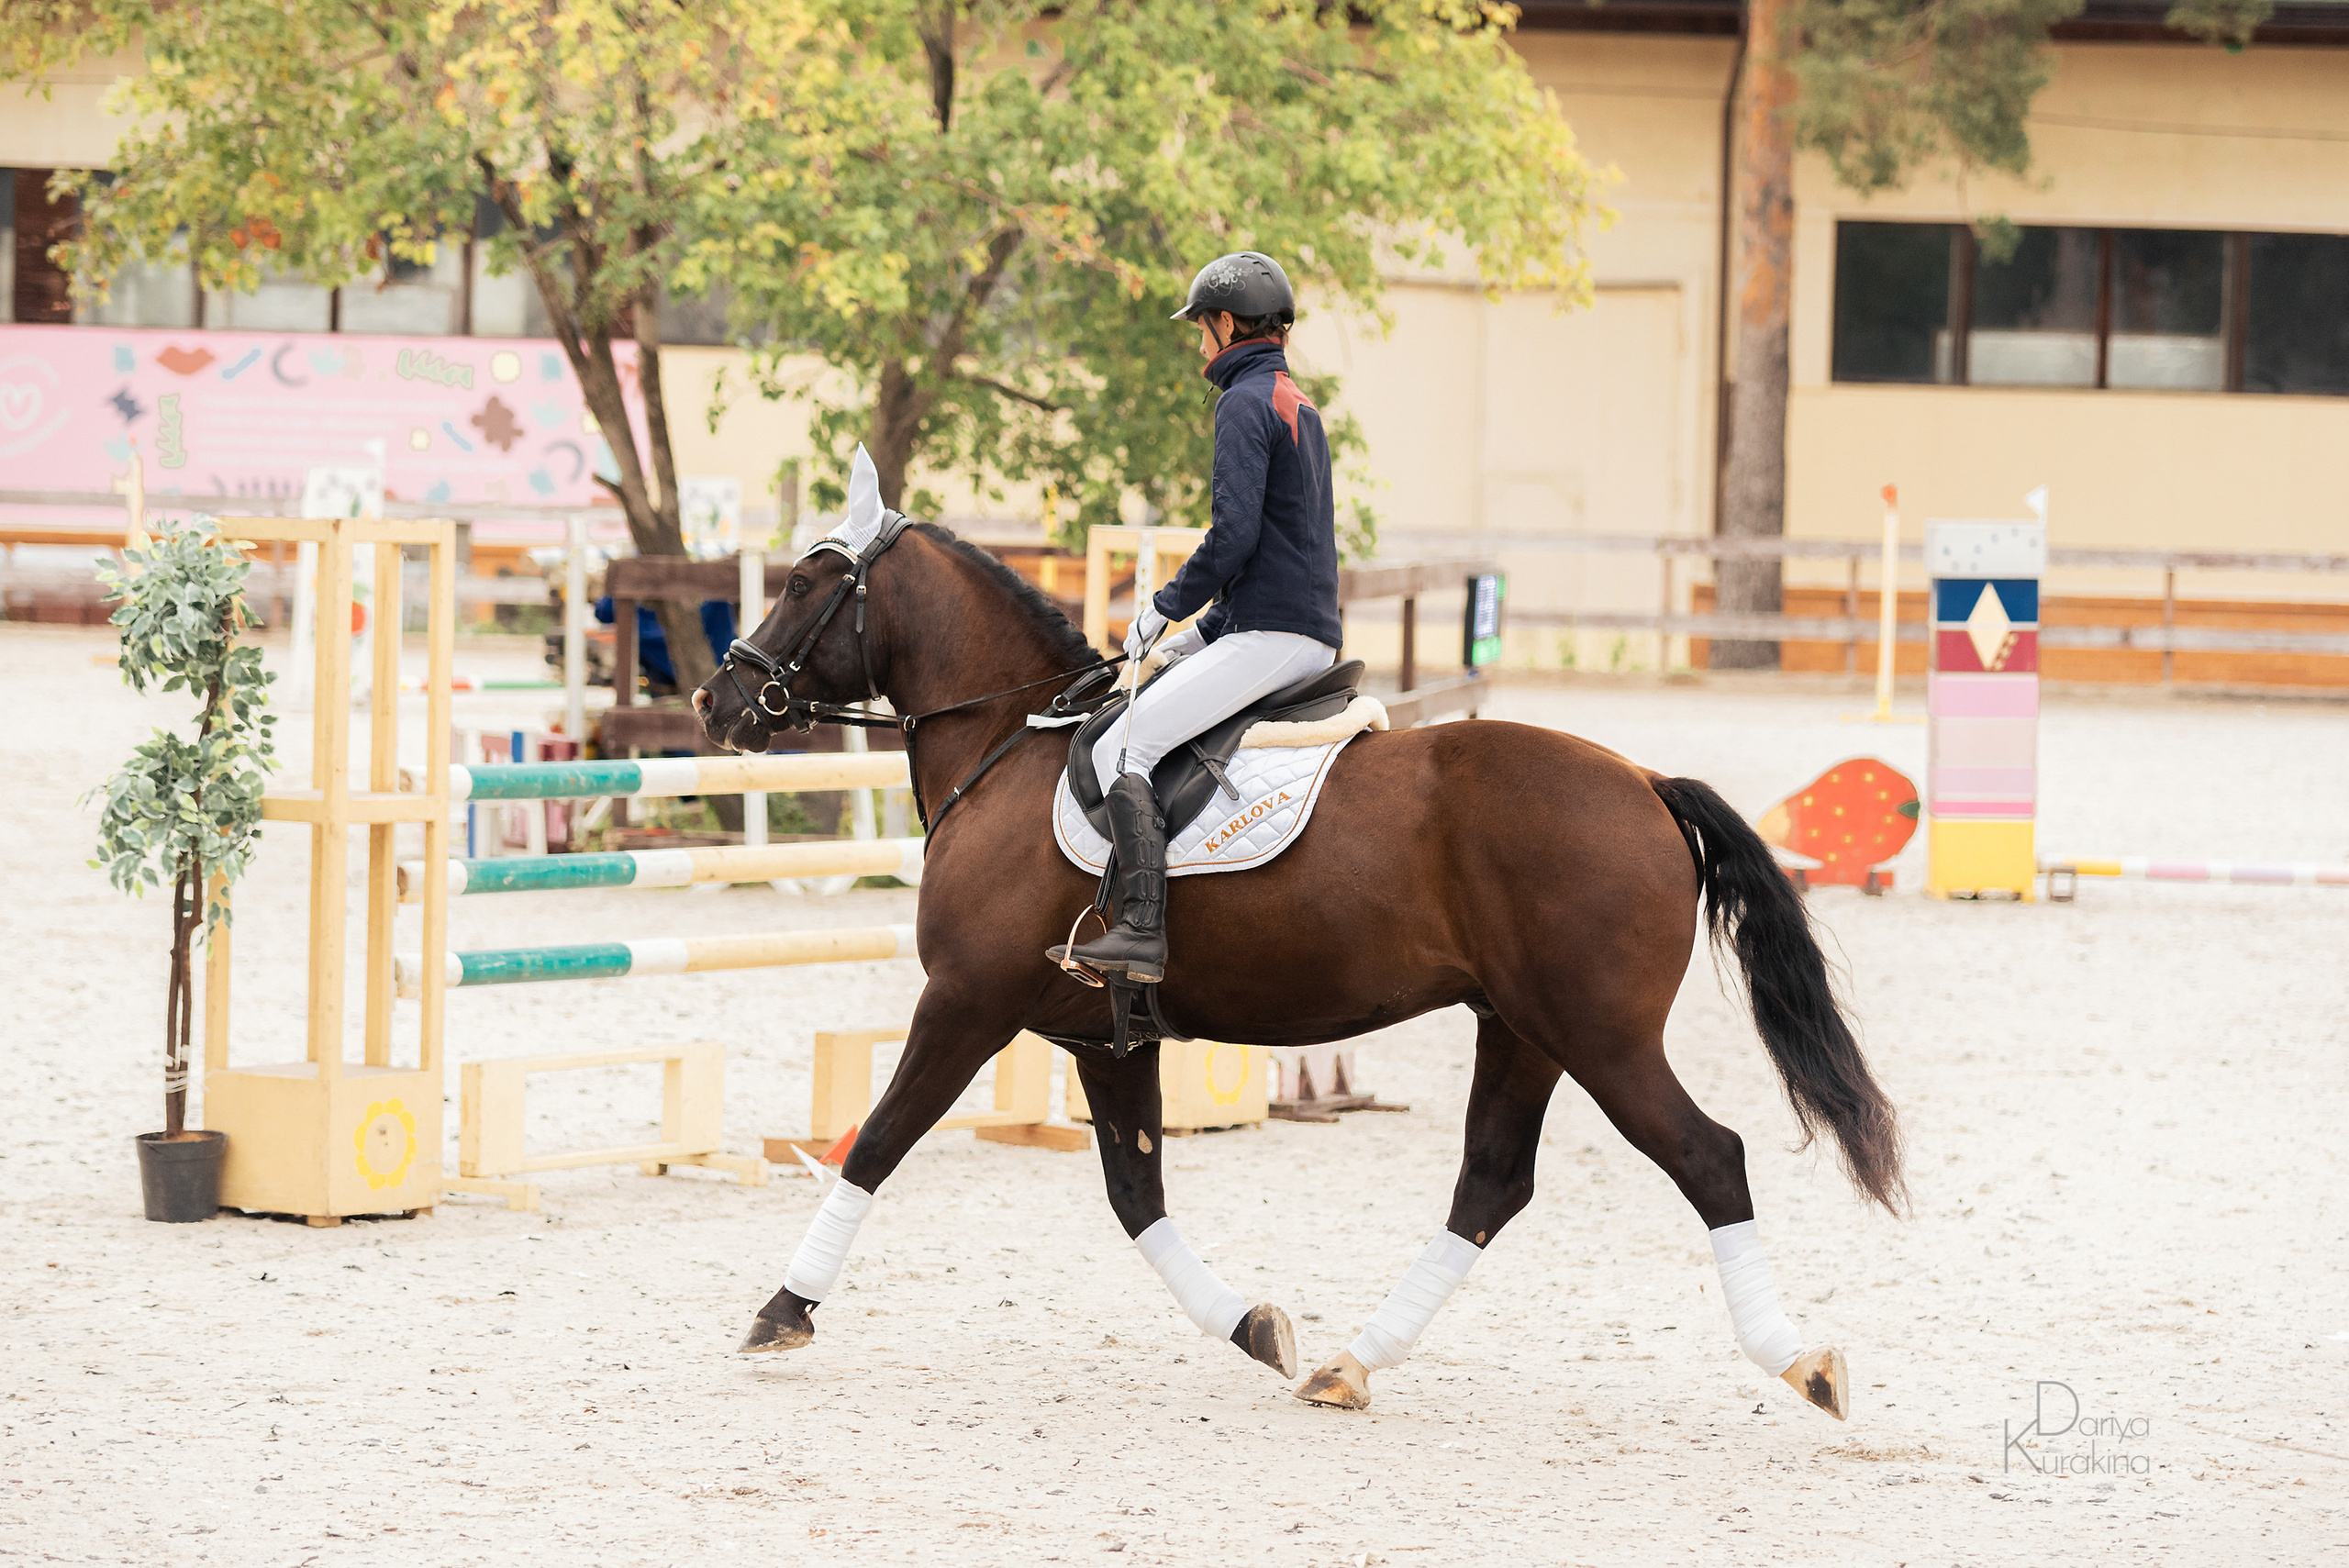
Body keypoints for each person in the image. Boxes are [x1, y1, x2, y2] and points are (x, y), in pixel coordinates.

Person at [1060, 250, 1342, 984]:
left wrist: (1161, 606)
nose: (1199, 345)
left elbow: (1234, 537)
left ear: (1223, 323)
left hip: (1274, 636)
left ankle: (1141, 932)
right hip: (1287, 628)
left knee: (1122, 744)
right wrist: (1199, 634)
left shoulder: (1243, 404)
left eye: (1200, 330)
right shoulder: (1294, 401)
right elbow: (1282, 548)